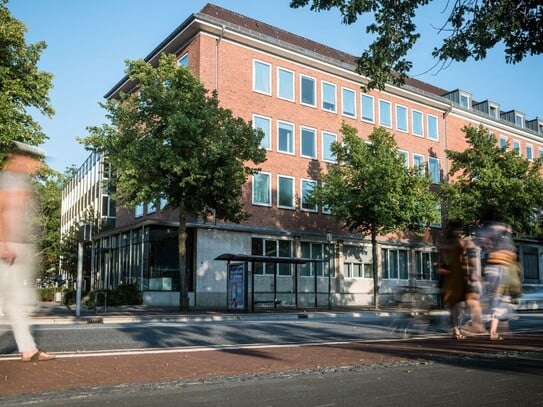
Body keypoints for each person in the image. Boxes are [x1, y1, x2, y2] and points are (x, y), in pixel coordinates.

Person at [0, 141, 55, 362]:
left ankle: (28, 349)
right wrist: (5, 244)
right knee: (14, 300)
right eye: (34, 160)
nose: (37, 166)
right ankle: (28, 348)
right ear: (20, 159)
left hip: (16, 247)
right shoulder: (9, 179)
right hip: (8, 247)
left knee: (17, 302)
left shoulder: (19, 180)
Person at [474, 204, 517, 341]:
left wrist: (475, 270)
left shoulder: (484, 229)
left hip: (491, 266)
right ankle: (493, 330)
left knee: (493, 297)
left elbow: (477, 248)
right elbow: (512, 251)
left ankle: (491, 329)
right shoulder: (505, 228)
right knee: (500, 298)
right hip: (504, 266)